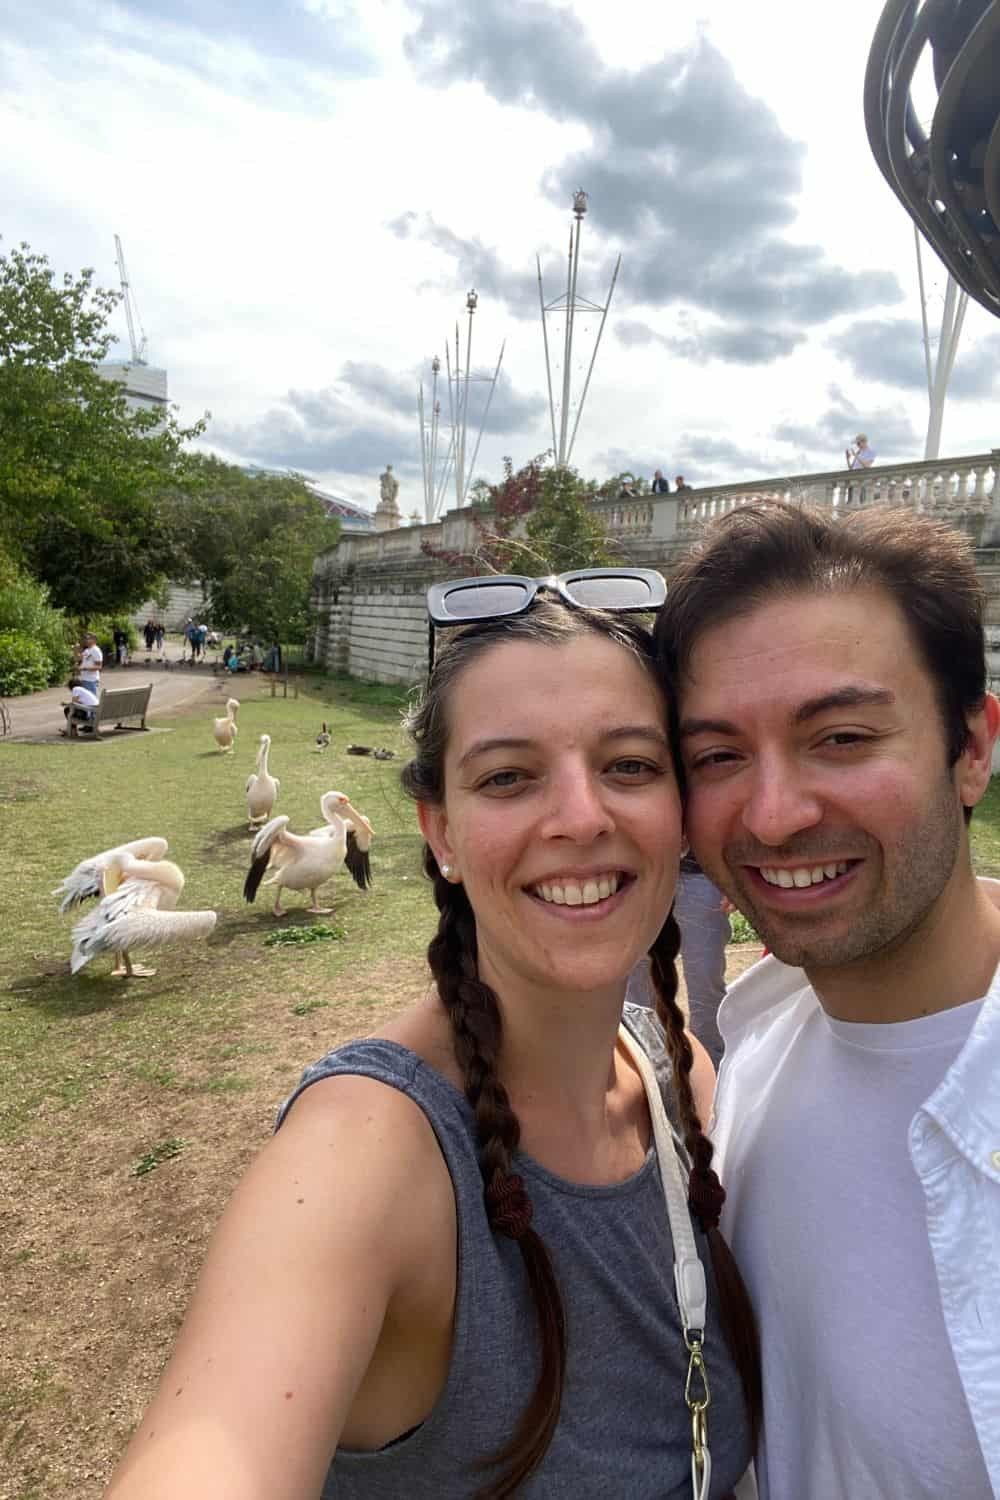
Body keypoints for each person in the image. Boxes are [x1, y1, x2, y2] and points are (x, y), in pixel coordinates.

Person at [106, 574, 759, 1499]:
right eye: (508, 777)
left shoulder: (677, 1078)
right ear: (441, 832)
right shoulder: (366, 1150)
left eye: (629, 765)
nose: (581, 817)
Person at [657, 503, 1000, 1500]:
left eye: (841, 737)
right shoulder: (765, 1028)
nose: (772, 814)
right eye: (717, 756)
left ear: (971, 747)